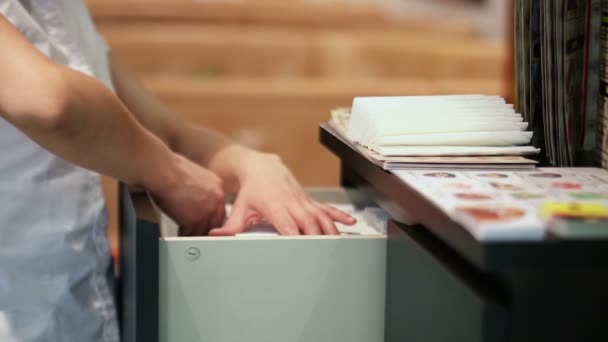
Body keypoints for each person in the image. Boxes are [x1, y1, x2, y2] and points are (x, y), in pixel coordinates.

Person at [0, 1, 355, 341]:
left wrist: (255, 164)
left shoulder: (66, 9)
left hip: (83, 312)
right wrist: (173, 176)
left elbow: (165, 131)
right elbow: (49, 103)